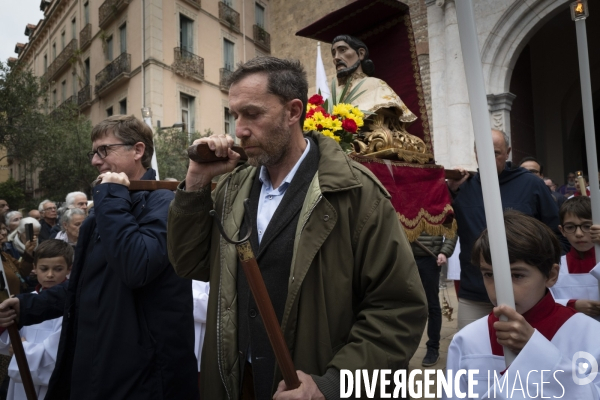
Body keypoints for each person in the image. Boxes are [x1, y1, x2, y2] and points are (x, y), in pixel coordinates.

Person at [167, 56, 427, 400]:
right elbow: (190, 263)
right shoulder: (232, 188)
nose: (240, 129)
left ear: (293, 112)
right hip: (237, 382)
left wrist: (332, 384)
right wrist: (197, 182)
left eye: (253, 114)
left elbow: (397, 309)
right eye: (236, 116)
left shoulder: (355, 193)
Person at [0, 115, 198, 399]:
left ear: (138, 151)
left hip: (145, 375)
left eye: (104, 150)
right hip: (96, 366)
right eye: (93, 152)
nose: (95, 160)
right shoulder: (105, 209)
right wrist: (28, 306)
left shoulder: (166, 204)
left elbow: (136, 266)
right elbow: (87, 285)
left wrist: (112, 197)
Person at [442, 212, 600, 399]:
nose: (500, 289)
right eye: (489, 275)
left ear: (550, 275)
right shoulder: (467, 340)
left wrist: (535, 350)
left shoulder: (590, 335)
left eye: (517, 275)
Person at [449, 129, 565, 330]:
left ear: (508, 152)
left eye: (495, 153)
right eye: (483, 153)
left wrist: (541, 274)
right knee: (474, 354)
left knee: (526, 353)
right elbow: (440, 223)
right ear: (475, 153)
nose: (488, 159)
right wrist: (450, 192)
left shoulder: (531, 184)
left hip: (524, 293)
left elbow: (557, 235)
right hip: (475, 294)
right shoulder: (462, 188)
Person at [330, 35, 429, 160]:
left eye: (342, 50)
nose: (336, 58)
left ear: (360, 54)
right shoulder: (335, 94)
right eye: (333, 53)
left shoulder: (376, 85)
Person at [0, 240, 73, 400]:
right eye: (44, 269)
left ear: (69, 269)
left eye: (58, 269)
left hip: (51, 390)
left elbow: (58, 356)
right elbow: (6, 344)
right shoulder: (26, 302)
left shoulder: (71, 305)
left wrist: (22, 349)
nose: (50, 275)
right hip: (21, 385)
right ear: (34, 268)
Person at [410, 233, 457, 367]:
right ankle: (404, 348)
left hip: (429, 258)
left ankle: (433, 348)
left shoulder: (439, 210)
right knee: (404, 304)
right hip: (405, 256)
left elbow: (451, 230)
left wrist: (444, 252)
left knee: (432, 305)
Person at [550, 196, 600, 319]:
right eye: (570, 227)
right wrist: (572, 305)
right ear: (562, 230)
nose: (579, 234)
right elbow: (543, 303)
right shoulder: (555, 268)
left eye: (587, 226)